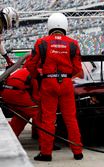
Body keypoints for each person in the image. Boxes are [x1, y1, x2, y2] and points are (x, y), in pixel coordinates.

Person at [24, 12, 84, 161]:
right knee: (70, 118)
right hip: (66, 84)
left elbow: (30, 64)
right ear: (65, 26)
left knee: (48, 120)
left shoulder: (41, 42)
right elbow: (77, 69)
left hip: (48, 83)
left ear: (49, 26)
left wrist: (39, 76)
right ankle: (77, 152)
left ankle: (46, 153)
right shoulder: (73, 43)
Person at [0, 66, 39, 137]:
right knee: (38, 114)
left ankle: (10, 137)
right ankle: (45, 141)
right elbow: (36, 95)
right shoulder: (36, 73)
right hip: (17, 93)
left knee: (22, 115)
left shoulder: (24, 70)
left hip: (5, 93)